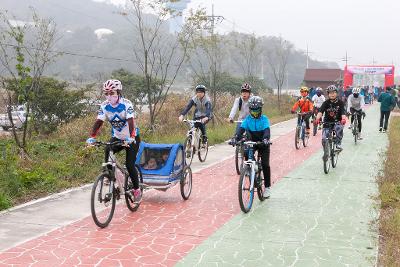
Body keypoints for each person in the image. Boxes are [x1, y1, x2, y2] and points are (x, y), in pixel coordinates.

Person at [86, 79, 142, 202]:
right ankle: (111, 177)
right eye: (106, 93)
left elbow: (130, 121)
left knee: (129, 164)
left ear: (118, 92)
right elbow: (99, 121)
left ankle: (137, 190)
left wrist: (131, 137)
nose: (109, 96)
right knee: (108, 149)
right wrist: (92, 136)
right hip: (117, 137)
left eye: (112, 93)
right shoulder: (104, 106)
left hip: (132, 138)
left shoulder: (126, 104)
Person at [235, 96, 272, 198]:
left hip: (263, 144)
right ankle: (252, 168)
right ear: (250, 110)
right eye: (253, 110)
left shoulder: (264, 119)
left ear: (261, 109)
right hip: (252, 142)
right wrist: (235, 138)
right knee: (246, 152)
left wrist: (265, 139)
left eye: (257, 110)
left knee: (265, 164)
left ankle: (267, 187)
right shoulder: (247, 120)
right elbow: (241, 130)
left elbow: (266, 131)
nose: (255, 112)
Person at [315, 85, 347, 151]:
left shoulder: (340, 103)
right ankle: (326, 152)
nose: (332, 94)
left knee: (339, 128)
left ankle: (338, 143)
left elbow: (343, 112)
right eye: (330, 93)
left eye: (333, 92)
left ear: (336, 93)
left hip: (337, 121)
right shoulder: (325, 103)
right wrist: (317, 119)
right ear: (328, 94)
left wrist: (343, 119)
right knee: (324, 138)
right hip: (327, 122)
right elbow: (320, 112)